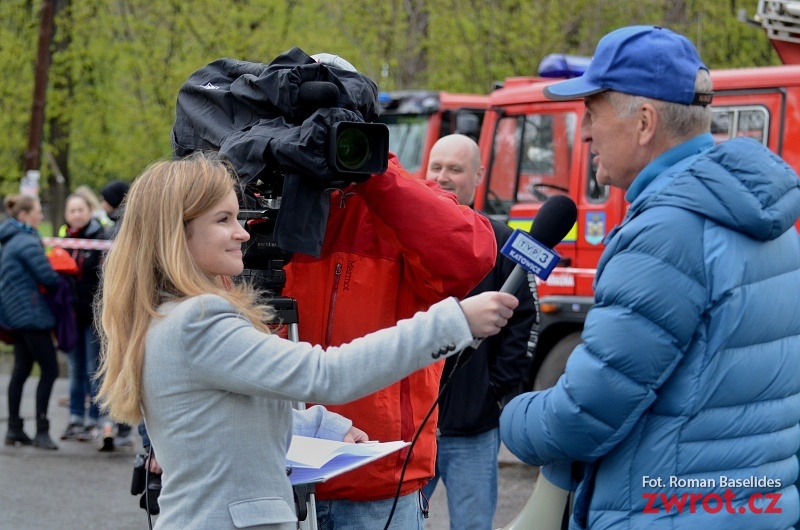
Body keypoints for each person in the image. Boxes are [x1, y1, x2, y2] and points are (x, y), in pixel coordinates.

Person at [94, 152, 518, 530]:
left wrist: (322, 426)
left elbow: (229, 417)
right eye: (223, 221)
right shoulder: (201, 320)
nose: (244, 233)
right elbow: (327, 374)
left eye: (237, 217)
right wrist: (453, 322)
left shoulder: (167, 314)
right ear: (176, 235)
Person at [499, 25, 800, 530]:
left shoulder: (666, 231)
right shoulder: (770, 221)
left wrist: (511, 415)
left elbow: (584, 415)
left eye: (592, 114)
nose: (586, 132)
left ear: (644, 122)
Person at [421, 134, 539, 529]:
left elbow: (525, 320)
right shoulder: (404, 236)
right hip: (411, 426)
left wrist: (495, 392)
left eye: (455, 168)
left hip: (473, 429)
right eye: (436, 167)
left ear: (478, 175)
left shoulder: (505, 243)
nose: (443, 177)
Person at [0, 194, 60, 450]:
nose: (42, 216)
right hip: (31, 314)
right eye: (38, 211)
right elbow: (49, 278)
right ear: (24, 216)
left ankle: (14, 428)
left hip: (16, 314)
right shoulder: (26, 241)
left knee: (21, 370)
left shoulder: (11, 240)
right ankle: (42, 431)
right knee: (49, 370)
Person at [59, 192, 109, 444]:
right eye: (72, 210)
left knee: (93, 369)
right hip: (70, 317)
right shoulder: (62, 241)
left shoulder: (101, 238)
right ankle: (75, 417)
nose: (76, 214)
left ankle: (95, 418)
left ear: (89, 211)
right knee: (75, 370)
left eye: (80, 209)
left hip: (93, 316)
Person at [97, 178, 134, 451]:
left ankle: (118, 424)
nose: (101, 205)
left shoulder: (121, 227)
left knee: (118, 366)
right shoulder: (117, 226)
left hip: (120, 306)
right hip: (118, 305)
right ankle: (117, 425)